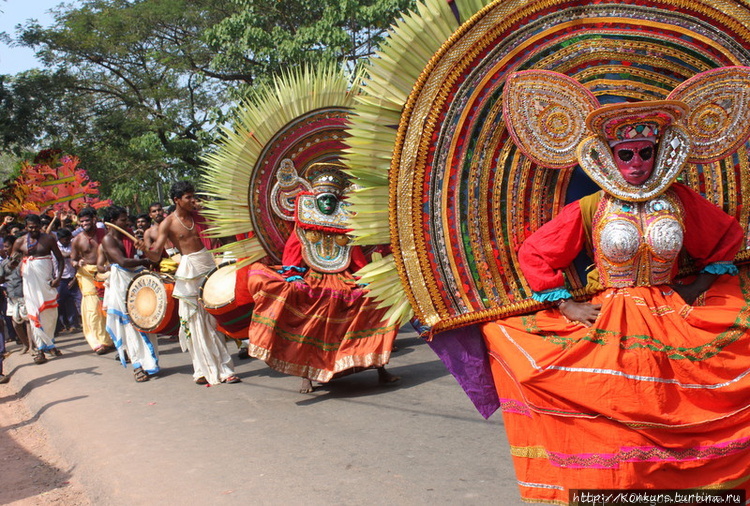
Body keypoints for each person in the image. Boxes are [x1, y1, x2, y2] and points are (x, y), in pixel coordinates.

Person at [477, 68, 750, 502]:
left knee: (679, 408)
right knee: (615, 412)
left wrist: (696, 290)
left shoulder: (680, 200)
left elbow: (725, 238)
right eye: (627, 155)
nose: (638, 164)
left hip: (673, 317)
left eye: (646, 152)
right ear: (609, 156)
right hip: (612, 319)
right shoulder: (591, 207)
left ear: (660, 152)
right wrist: (565, 306)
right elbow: (536, 254)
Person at [243, 164, 400, 393]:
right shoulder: (304, 224)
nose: (327, 204)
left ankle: (379, 366)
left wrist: (365, 279)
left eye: (331, 200)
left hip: (343, 277)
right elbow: (294, 251)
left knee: (375, 303)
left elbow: (354, 255)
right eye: (324, 199)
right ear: (315, 199)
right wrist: (293, 275)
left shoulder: (344, 225)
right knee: (306, 314)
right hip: (314, 277)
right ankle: (306, 375)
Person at [146, 181, 239, 385]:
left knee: (213, 320)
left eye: (192, 196)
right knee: (194, 321)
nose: (192, 200)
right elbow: (154, 256)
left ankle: (224, 368)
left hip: (207, 266)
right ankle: (201, 370)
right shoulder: (168, 223)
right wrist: (145, 250)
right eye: (188, 197)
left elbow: (225, 238)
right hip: (188, 271)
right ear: (176, 200)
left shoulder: (201, 216)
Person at [100, 205, 158, 382]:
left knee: (146, 317)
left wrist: (145, 251)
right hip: (122, 283)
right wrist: (146, 260)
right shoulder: (108, 240)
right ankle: (138, 365)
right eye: (122, 220)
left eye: (126, 219)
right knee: (129, 324)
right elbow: (123, 261)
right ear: (112, 223)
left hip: (137, 280)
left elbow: (144, 255)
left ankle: (150, 363)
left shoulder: (130, 236)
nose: (126, 222)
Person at [11, 214, 64, 364]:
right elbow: (11, 265)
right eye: (30, 227)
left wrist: (58, 278)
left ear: (40, 226)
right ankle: (40, 350)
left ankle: (50, 344)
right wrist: (14, 263)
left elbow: (60, 260)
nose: (33, 230)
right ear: (26, 227)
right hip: (30, 285)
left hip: (46, 283)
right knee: (34, 314)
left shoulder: (48, 239)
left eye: (36, 227)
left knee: (49, 314)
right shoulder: (19, 242)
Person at [71, 207, 114, 354]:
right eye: (81, 221)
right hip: (87, 275)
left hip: (106, 272)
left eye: (87, 220)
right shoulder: (77, 240)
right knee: (93, 309)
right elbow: (73, 260)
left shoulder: (105, 234)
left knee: (109, 306)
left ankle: (113, 339)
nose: (84, 224)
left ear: (94, 219)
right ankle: (99, 342)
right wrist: (77, 263)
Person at [54, 228, 81, 333]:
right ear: (60, 239)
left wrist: (75, 278)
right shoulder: (54, 247)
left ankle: (74, 324)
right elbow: (63, 255)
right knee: (58, 303)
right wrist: (74, 254)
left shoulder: (72, 244)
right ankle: (60, 325)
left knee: (75, 301)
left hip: (74, 276)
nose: (68, 241)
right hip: (60, 279)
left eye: (69, 239)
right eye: (66, 239)